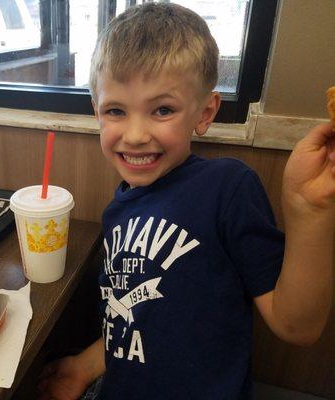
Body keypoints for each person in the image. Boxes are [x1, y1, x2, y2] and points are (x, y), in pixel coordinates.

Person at [38, 3, 335, 400]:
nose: (136, 134)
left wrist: (310, 210)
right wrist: (83, 367)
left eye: (163, 110)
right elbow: (132, 317)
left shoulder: (227, 187)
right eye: (116, 111)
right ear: (97, 113)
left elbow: (297, 326)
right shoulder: (118, 210)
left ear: (205, 111)